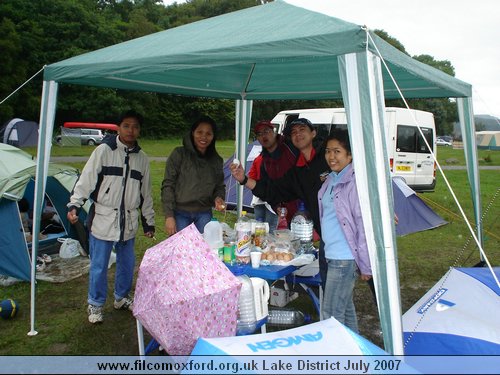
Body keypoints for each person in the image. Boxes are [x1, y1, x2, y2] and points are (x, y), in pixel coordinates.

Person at [67, 110, 155, 324]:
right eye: (126, 125)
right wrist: (75, 204)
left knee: (126, 263)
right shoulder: (104, 151)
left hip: (129, 221)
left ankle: (121, 297)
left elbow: (146, 193)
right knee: (99, 264)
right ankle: (95, 304)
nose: (131, 130)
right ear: (118, 127)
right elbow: (86, 179)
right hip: (103, 218)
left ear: (139, 130)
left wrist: (149, 221)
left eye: (135, 126)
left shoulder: (142, 159)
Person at [230, 118, 330, 281]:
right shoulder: (297, 171)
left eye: (302, 130)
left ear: (313, 133)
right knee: (330, 280)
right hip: (319, 227)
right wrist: (243, 179)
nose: (297, 134)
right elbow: (273, 189)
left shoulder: (327, 156)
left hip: (342, 230)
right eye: (294, 132)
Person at [318, 130, 371, 333]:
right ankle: (358, 357)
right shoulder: (332, 179)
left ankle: (338, 362)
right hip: (333, 254)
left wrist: (365, 265)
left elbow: (362, 224)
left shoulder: (354, 183)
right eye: (328, 151)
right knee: (346, 311)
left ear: (349, 155)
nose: (331, 156)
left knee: (331, 315)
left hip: (344, 257)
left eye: (337, 151)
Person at [161, 115, 225, 236]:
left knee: (204, 251)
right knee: (181, 252)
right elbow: (168, 185)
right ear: (192, 133)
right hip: (180, 213)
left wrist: (219, 198)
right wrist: (169, 216)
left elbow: (219, 187)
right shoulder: (179, 154)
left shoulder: (216, 160)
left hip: (204, 214)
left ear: (213, 136)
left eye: (208, 133)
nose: (204, 137)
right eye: (199, 132)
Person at [247, 120, 298, 232]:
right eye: (259, 134)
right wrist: (276, 205)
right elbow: (266, 189)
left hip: (304, 206)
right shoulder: (264, 160)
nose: (263, 136)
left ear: (274, 132)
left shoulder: (290, 146)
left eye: (266, 131)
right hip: (285, 211)